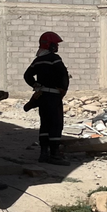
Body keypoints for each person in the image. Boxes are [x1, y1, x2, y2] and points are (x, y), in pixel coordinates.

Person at [23, 31, 70, 166]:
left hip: (41, 96)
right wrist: (63, 89)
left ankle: (43, 153)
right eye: (55, 44)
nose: (57, 47)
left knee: (45, 124)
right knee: (56, 124)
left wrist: (35, 84)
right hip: (54, 96)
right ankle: (54, 154)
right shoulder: (55, 59)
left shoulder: (37, 60)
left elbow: (27, 75)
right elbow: (63, 74)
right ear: (50, 46)